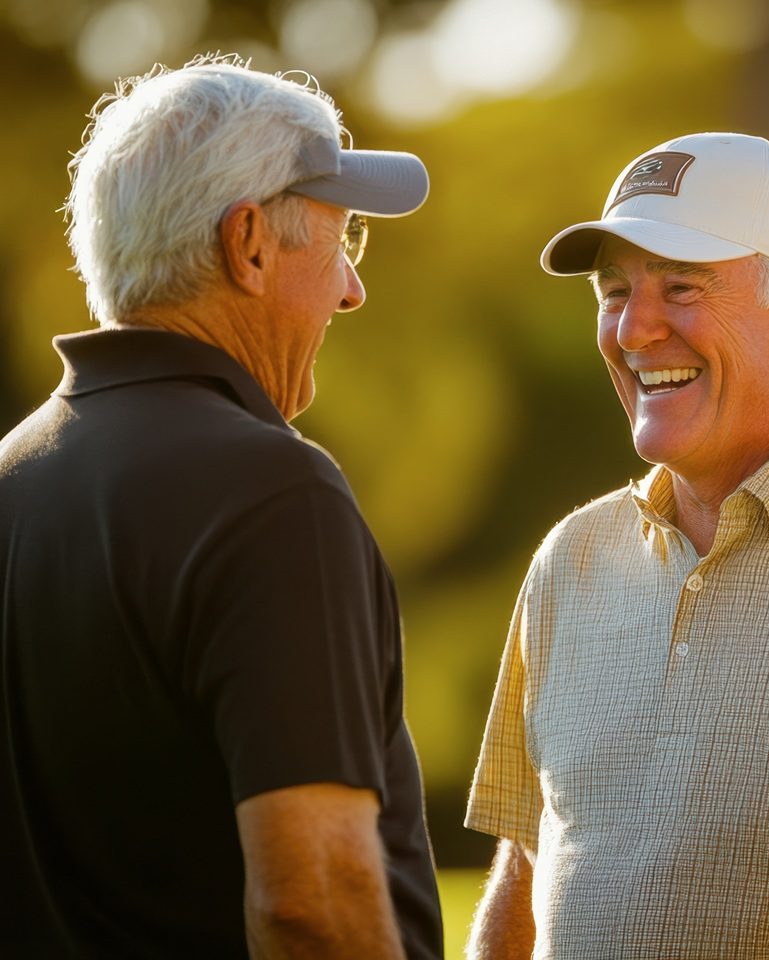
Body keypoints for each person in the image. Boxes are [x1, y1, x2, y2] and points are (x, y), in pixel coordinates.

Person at [465, 132, 769, 958]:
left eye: (683, 287)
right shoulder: (570, 559)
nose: (634, 329)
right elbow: (526, 868)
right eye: (613, 289)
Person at [0, 54, 442, 959]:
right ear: (247, 244)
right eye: (341, 239)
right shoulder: (275, 493)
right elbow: (309, 901)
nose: (352, 288)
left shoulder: (10, 477)